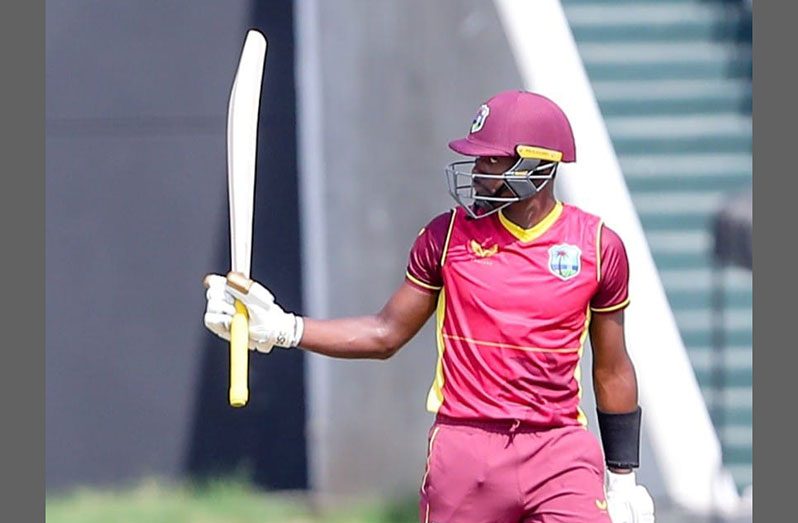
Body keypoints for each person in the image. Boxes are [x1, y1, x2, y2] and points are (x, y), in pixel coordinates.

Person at [203, 89, 655, 523]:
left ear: (536, 166)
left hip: (558, 450)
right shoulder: (446, 238)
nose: (477, 171)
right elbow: (385, 334)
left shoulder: (598, 247)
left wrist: (623, 478)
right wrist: (283, 328)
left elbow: (611, 368)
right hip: (466, 447)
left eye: (491, 160)